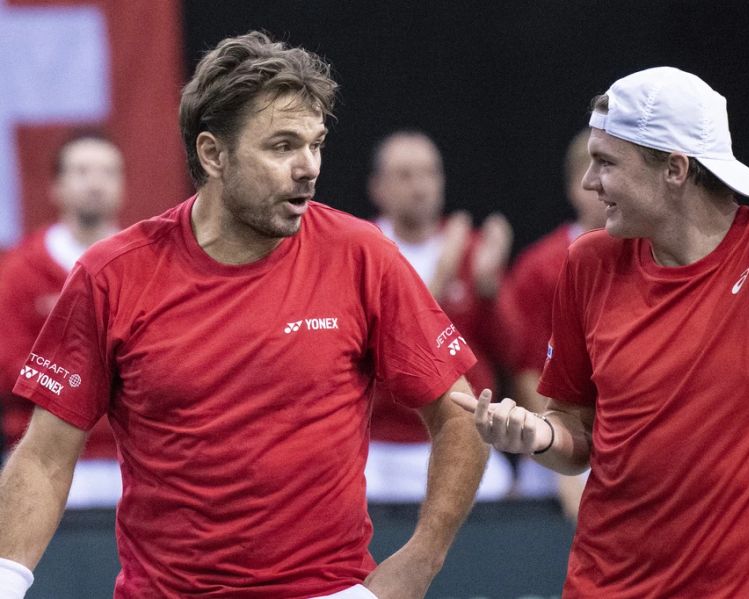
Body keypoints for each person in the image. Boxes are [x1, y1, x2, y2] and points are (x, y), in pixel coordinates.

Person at [0, 31, 488, 599]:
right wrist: (6, 580)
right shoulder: (111, 273)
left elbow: (460, 417)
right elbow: (44, 455)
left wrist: (419, 563)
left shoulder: (363, 254)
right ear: (213, 154)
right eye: (282, 146)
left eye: (316, 143)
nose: (308, 167)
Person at [453, 66, 749, 597]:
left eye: (605, 162)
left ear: (676, 170)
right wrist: (539, 436)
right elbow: (576, 433)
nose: (589, 183)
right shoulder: (587, 262)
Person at [364, 130, 513, 501]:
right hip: (380, 443)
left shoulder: (471, 250)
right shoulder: (362, 251)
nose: (420, 187)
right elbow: (378, 351)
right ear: (378, 187)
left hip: (462, 431)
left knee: (500, 487)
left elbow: (513, 351)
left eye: (429, 173)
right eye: (405, 175)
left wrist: (488, 291)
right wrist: (442, 275)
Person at [0, 130, 124, 508]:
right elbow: (11, 371)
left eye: (108, 172)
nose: (95, 183)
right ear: (56, 186)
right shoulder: (21, 269)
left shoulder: (143, 265)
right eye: (82, 171)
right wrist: (99, 381)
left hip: (134, 457)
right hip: (42, 454)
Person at [497, 128, 604, 518]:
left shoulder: (657, 257)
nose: (603, 188)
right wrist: (562, 459)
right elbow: (528, 370)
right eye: (594, 176)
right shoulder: (541, 267)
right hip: (559, 439)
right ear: (577, 185)